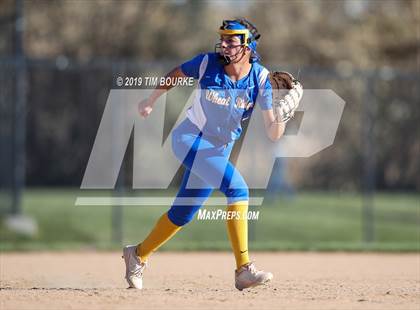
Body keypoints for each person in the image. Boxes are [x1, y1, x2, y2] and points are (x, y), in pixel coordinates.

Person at [123, 18, 299, 291]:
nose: (225, 43)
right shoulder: (208, 63)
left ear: (248, 45)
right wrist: (151, 100)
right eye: (223, 38)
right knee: (238, 189)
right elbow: (176, 74)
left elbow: (273, 133)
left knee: (182, 214)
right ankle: (243, 270)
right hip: (189, 139)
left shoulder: (260, 79)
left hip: (218, 151)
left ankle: (137, 254)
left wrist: (283, 115)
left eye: (232, 39)